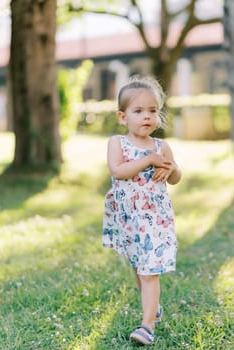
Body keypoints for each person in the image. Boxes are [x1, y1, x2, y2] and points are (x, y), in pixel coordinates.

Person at [102, 76, 182, 345]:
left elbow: (175, 177)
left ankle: (147, 324)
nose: (146, 117)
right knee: (138, 265)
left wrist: (169, 168)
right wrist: (147, 160)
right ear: (123, 117)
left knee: (149, 271)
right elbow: (118, 171)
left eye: (152, 111)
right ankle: (153, 307)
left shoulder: (162, 147)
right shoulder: (118, 143)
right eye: (138, 111)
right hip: (129, 220)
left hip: (155, 220)